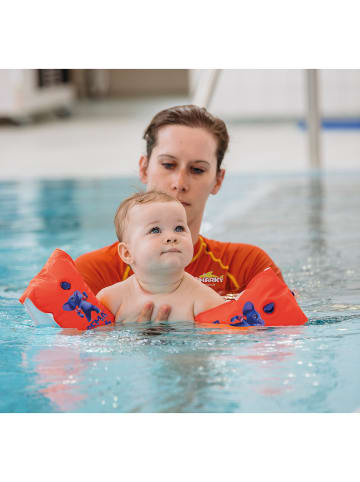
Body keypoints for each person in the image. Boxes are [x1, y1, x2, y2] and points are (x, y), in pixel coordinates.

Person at [75, 104, 284, 322]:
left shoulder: (246, 267)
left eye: (197, 170)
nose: (180, 183)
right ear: (144, 168)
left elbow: (282, 340)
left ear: (218, 180)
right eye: (168, 164)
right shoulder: (94, 273)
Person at [97, 191, 224, 321]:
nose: (171, 237)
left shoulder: (205, 301)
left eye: (179, 228)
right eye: (155, 230)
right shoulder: (111, 300)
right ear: (127, 253)